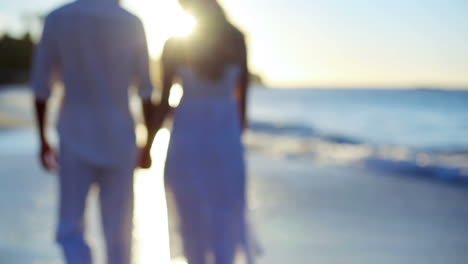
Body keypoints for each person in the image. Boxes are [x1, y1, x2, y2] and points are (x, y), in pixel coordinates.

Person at [31, 0, 155, 263]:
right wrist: (149, 145)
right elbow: (146, 90)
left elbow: (41, 87)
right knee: (119, 232)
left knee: (70, 227)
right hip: (119, 136)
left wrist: (43, 140)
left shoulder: (58, 18)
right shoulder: (131, 22)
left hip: (75, 134)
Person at [142, 0, 254, 263]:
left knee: (190, 218)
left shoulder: (176, 44)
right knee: (224, 219)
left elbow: (163, 101)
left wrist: (147, 146)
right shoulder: (236, 38)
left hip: (188, 136)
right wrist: (236, 133)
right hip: (225, 136)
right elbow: (242, 95)